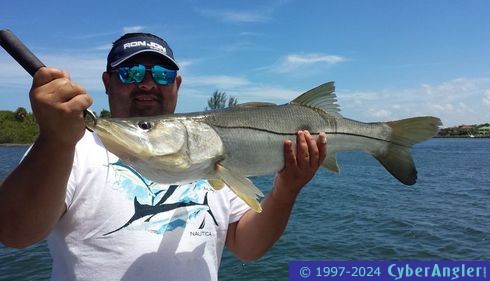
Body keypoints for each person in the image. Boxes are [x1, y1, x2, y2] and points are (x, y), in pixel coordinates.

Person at [0, 32, 327, 280]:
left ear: (177, 84)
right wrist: (54, 141)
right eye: (130, 73)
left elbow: (248, 247)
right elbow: (14, 232)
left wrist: (286, 191)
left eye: (161, 75)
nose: (146, 83)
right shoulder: (69, 147)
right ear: (107, 81)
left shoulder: (211, 152)